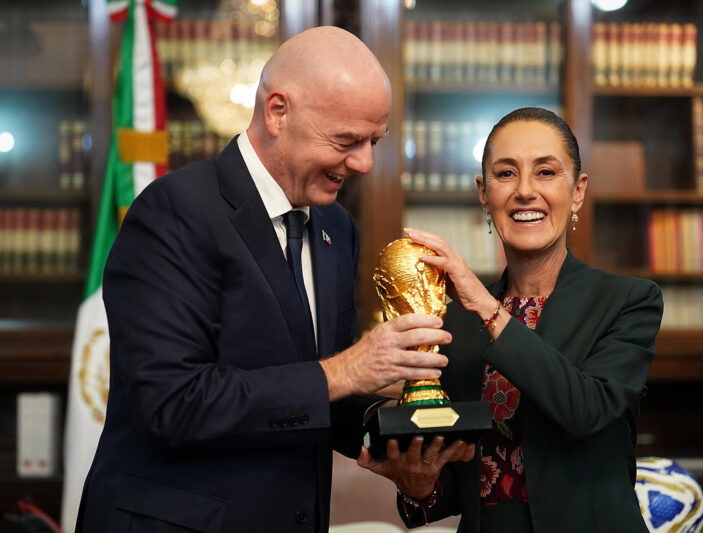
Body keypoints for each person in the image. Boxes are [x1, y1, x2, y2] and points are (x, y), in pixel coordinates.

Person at [75, 26, 464, 533]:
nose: (365, 162)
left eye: (374, 141)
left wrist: (394, 437)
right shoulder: (175, 210)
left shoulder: (335, 227)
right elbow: (173, 402)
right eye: (346, 140)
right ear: (278, 111)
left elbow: (322, 394)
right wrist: (346, 370)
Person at [358, 107, 664, 532]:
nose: (524, 191)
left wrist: (487, 307)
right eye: (505, 174)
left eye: (545, 172)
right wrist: (419, 485)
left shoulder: (627, 301)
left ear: (577, 191)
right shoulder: (454, 319)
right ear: (484, 193)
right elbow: (458, 479)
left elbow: (584, 411)